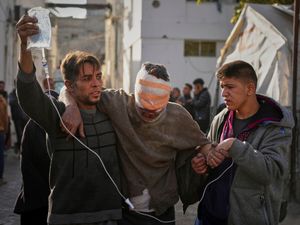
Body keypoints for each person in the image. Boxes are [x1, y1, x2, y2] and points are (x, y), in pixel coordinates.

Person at [60, 62, 223, 225]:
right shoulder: (118, 103)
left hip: (162, 211)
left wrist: (208, 156)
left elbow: (203, 144)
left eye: (156, 111)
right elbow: (70, 90)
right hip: (126, 212)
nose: (149, 114)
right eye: (143, 109)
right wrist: (70, 107)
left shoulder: (177, 115)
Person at [16, 14, 122, 225]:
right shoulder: (57, 116)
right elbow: (28, 91)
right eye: (86, 78)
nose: (96, 84)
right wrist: (24, 45)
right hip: (66, 217)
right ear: (70, 85)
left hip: (110, 216)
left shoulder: (113, 110)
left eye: (98, 76)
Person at [192, 60, 294, 225]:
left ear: (250, 89)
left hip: (248, 217)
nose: (224, 93)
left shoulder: (275, 125)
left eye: (230, 87)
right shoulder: (222, 117)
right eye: (222, 86)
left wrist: (234, 145)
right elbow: (207, 147)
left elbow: (271, 172)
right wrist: (202, 161)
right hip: (209, 215)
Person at [14, 78, 58, 225]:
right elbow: (47, 160)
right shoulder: (39, 125)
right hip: (39, 202)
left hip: (35, 199)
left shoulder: (33, 123)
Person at [8, 80, 29, 154]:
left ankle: (24, 149)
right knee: (19, 135)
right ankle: (21, 150)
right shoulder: (12, 94)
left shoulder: (25, 92)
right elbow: (11, 102)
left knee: (26, 135)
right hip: (17, 118)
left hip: (25, 117)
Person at [0, 94, 8, 186]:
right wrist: (5, 130)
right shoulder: (2, 101)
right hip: (1, 131)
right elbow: (5, 118)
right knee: (0, 155)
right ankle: (0, 178)